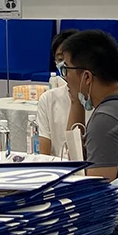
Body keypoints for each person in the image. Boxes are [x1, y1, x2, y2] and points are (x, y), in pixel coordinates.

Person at [58, 30, 118, 179]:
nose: (65, 77)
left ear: (87, 77)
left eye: (66, 69)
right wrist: (76, 102)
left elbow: (98, 188)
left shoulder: (106, 118)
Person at [36, 29, 82, 159]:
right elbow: (43, 152)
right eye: (60, 59)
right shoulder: (48, 98)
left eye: (69, 59)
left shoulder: (96, 98)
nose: (65, 65)